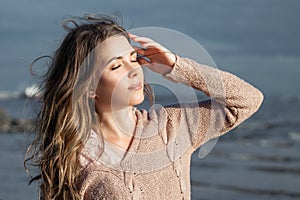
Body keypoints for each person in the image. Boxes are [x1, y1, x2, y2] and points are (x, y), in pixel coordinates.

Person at [25, 14, 264, 200]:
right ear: (90, 88)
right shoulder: (76, 157)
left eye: (133, 59)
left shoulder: (172, 127)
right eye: (116, 66)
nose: (133, 71)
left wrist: (177, 66)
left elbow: (246, 99)